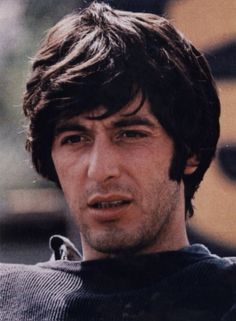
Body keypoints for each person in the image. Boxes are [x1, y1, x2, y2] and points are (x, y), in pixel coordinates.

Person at [1, 2, 236, 320]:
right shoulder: (9, 297)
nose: (100, 169)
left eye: (130, 134)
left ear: (190, 150)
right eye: (74, 139)